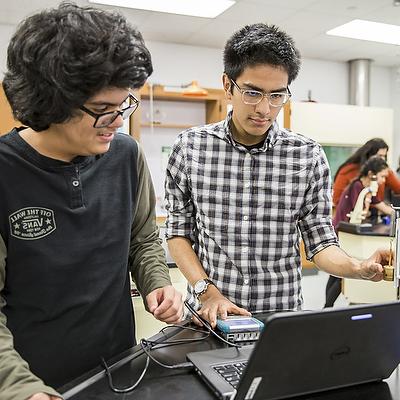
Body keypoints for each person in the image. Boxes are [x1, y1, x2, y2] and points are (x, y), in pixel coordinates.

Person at [0, 4, 183, 400]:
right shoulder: (5, 171)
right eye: (103, 111)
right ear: (50, 102)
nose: (118, 121)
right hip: (32, 382)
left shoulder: (125, 155)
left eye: (123, 106)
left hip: (120, 369)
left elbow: (142, 238)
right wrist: (21, 388)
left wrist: (157, 283)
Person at [164, 23, 389, 327]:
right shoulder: (190, 148)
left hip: (280, 319)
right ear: (228, 86)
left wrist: (357, 267)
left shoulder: (307, 156)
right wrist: (207, 292)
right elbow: (179, 233)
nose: (264, 109)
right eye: (252, 92)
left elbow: (320, 243)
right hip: (210, 317)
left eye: (276, 95)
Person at [325, 155, 393, 307]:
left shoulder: (367, 190)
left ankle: (326, 307)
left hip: (348, 232)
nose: (383, 181)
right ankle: (327, 307)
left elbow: (383, 207)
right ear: (371, 174)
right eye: (382, 177)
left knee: (335, 276)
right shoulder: (357, 186)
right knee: (338, 276)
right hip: (341, 232)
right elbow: (357, 212)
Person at [332, 138, 400, 206]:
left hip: (376, 212)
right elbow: (337, 200)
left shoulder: (384, 172)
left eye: (384, 156)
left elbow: (398, 188)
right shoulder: (349, 171)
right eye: (379, 156)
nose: (383, 159)